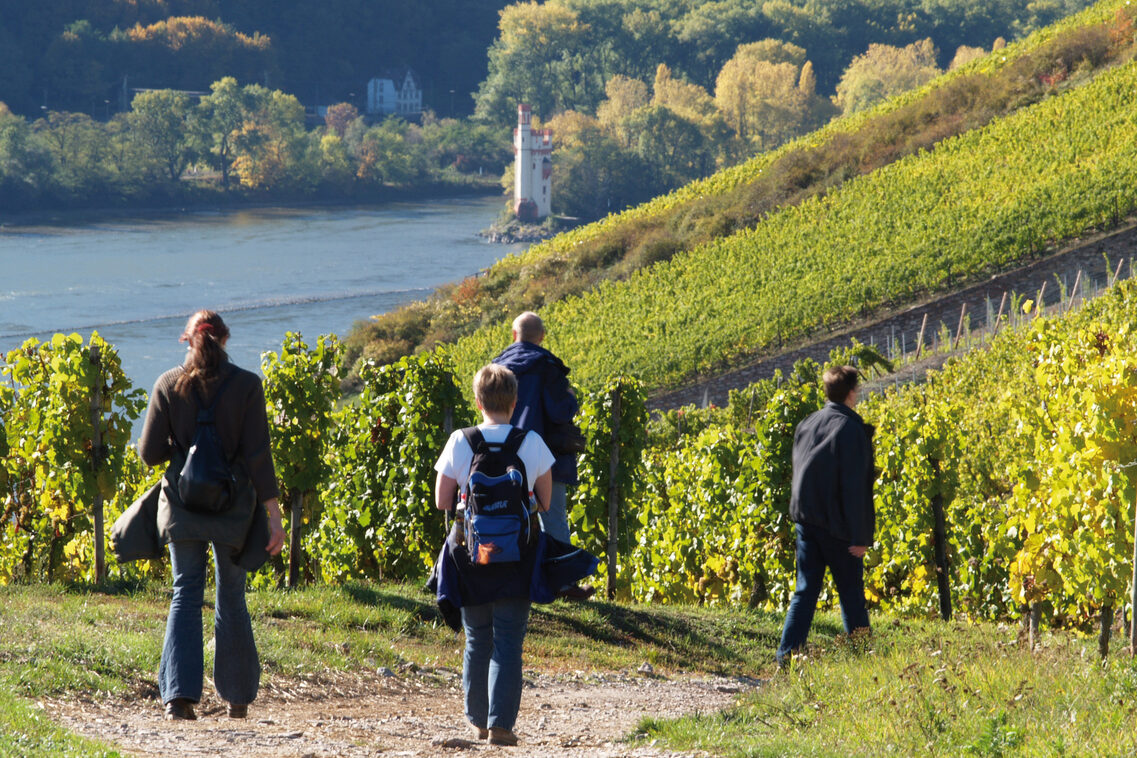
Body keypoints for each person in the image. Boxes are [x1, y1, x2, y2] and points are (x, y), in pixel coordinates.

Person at [138, 310, 285, 721]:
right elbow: (258, 456)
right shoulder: (247, 386)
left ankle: (178, 698)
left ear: (188, 340)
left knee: (185, 590)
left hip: (183, 506)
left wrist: (183, 451)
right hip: (233, 507)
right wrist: (273, 515)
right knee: (231, 594)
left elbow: (150, 454)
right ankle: (237, 697)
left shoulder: (167, 384)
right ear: (225, 340)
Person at [434, 363, 555, 746]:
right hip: (518, 557)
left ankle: (478, 722)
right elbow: (546, 502)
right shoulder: (531, 442)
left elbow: (442, 500)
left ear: (477, 400)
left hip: (472, 556)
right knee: (507, 639)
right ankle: (501, 725)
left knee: (476, 638)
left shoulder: (460, 440)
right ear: (515, 401)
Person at [776, 365, 875, 666]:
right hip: (838, 526)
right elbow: (856, 488)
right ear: (851, 393)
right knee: (851, 595)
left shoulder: (808, 423)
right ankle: (864, 660)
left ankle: (786, 657)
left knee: (804, 592)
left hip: (806, 521)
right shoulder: (850, 429)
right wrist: (861, 537)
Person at [493, 312, 593, 599]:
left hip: (503, 455)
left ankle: (509, 580)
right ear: (542, 336)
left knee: (508, 515)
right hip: (546, 456)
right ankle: (563, 584)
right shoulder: (549, 367)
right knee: (554, 517)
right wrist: (571, 396)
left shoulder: (497, 368)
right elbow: (561, 410)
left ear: (514, 335)